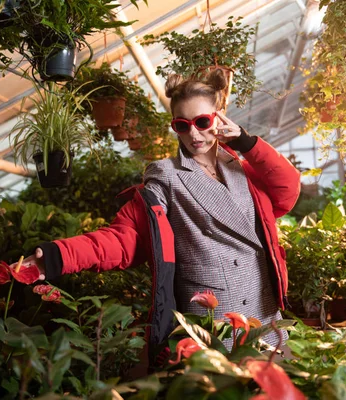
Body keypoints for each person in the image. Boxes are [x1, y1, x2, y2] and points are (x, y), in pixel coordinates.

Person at [19, 69, 300, 363]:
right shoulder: (166, 175)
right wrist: (56, 256)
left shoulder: (240, 166)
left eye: (202, 122)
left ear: (218, 117)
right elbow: (128, 237)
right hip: (213, 319)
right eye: (182, 125)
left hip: (264, 309)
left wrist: (245, 142)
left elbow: (287, 190)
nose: (194, 134)